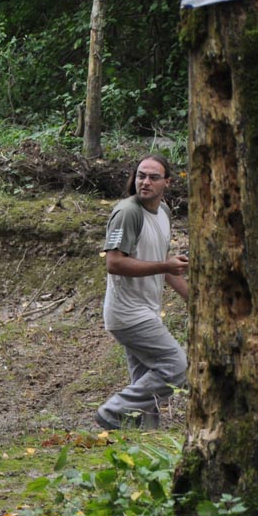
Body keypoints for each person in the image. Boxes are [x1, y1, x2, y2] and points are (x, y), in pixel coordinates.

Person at [95, 154, 189, 430]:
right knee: (175, 367)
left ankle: (141, 436)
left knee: (145, 380)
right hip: (128, 314)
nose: (145, 182)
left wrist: (192, 299)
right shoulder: (128, 212)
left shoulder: (163, 212)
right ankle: (113, 412)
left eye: (153, 177)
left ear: (167, 183)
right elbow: (114, 263)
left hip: (146, 310)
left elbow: (165, 264)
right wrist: (165, 264)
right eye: (140, 176)